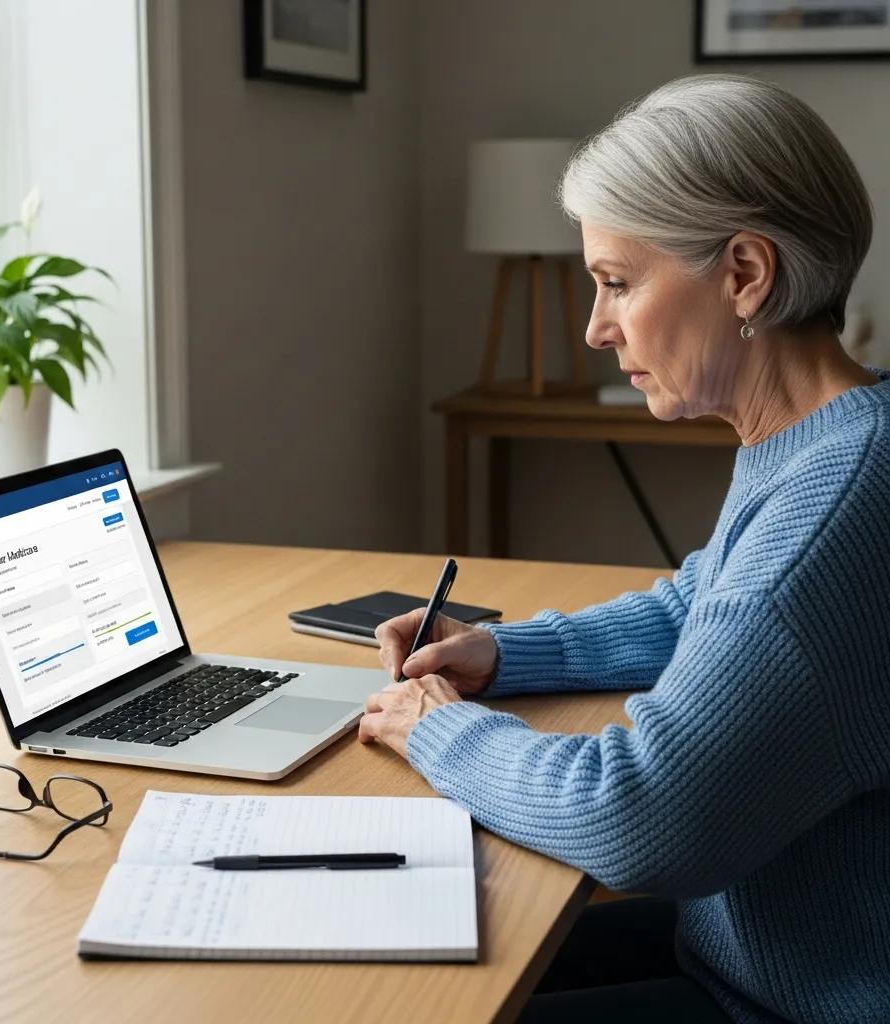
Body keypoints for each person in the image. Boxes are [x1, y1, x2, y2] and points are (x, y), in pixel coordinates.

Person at [358, 74, 890, 1024]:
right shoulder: (841, 432)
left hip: (795, 998)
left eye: (616, 282)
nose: (597, 329)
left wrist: (434, 727)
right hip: (756, 945)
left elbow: (643, 817)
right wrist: (509, 651)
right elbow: (712, 599)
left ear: (744, 275)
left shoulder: (839, 503)